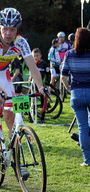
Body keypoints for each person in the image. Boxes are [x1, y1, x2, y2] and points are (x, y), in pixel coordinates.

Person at [0, 8, 45, 178]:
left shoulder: (21, 42)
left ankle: (16, 161)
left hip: (3, 74)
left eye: (12, 29)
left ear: (17, 30)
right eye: (5, 28)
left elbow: (32, 67)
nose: (8, 33)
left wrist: (41, 88)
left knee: (11, 116)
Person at [61, 27, 90, 166]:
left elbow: (63, 76)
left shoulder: (69, 54)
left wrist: (69, 89)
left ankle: (87, 160)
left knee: (82, 127)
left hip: (77, 93)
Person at [32, 48, 51, 123]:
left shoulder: (44, 64)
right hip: (33, 85)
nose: (36, 57)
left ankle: (42, 118)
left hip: (42, 85)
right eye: (34, 56)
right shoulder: (31, 64)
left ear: (40, 56)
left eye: (37, 55)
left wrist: (47, 84)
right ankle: (31, 116)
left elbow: (48, 74)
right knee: (32, 101)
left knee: (43, 101)